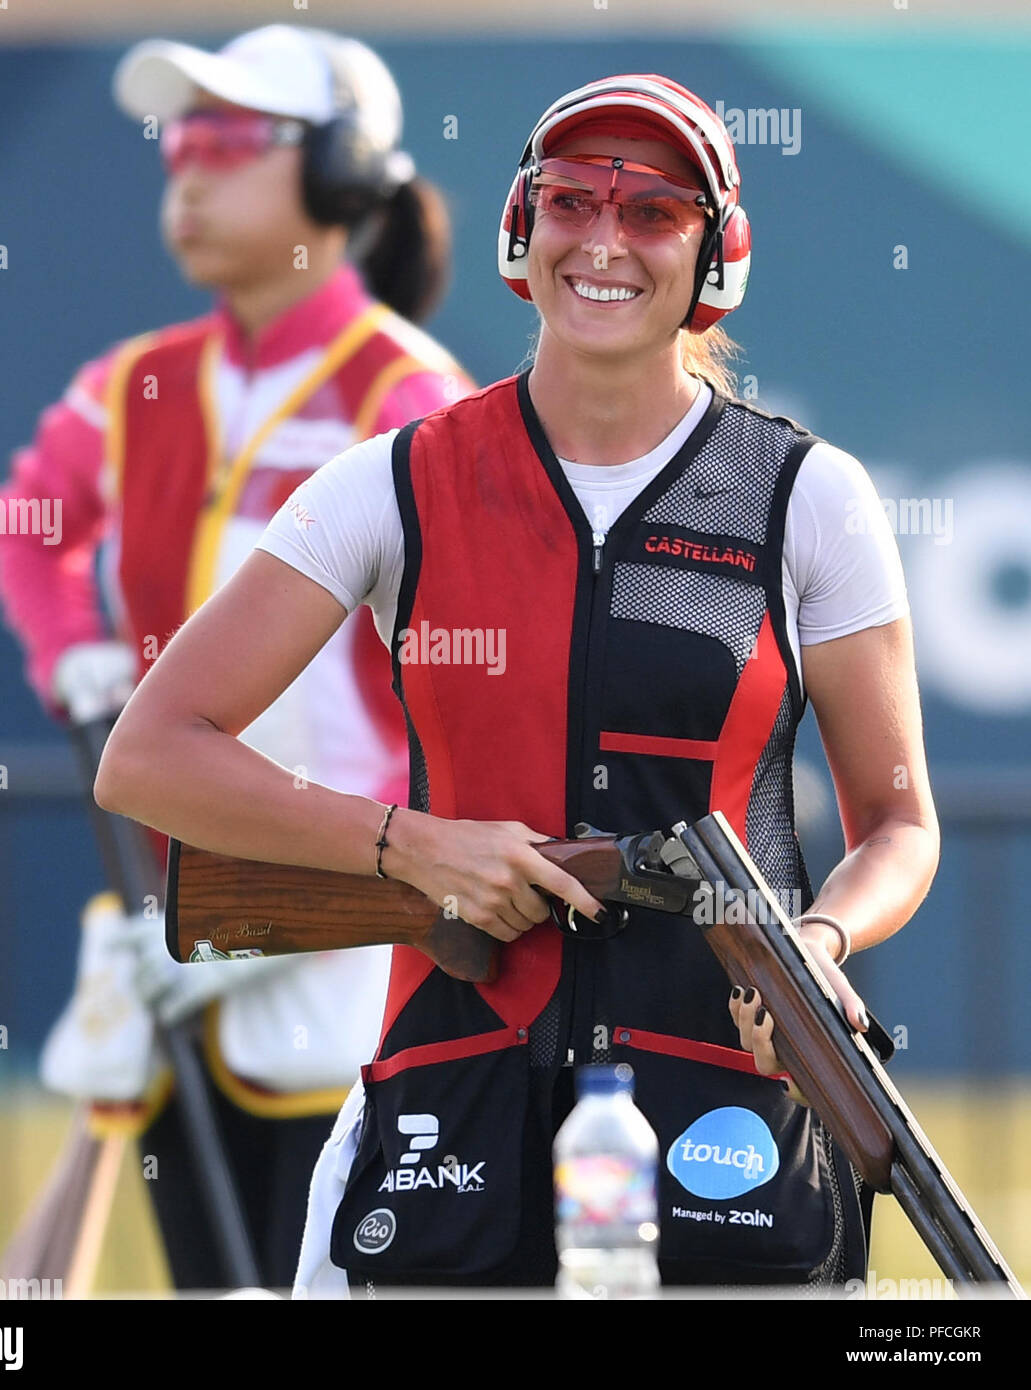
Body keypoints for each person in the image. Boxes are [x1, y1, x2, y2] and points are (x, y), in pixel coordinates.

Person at [93, 73, 940, 1293]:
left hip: (728, 1116)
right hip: (452, 1104)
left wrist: (814, 942)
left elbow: (899, 823)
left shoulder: (809, 497)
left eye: (652, 210)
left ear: (715, 253)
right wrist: (412, 847)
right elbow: (152, 753)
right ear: (520, 229)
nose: (603, 240)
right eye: (570, 200)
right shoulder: (387, 481)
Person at [0, 24, 473, 1291]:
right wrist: (71, 654)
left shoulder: (409, 397)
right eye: (178, 145)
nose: (188, 176)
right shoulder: (133, 382)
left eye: (234, 143)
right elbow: (30, 530)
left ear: (340, 173)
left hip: (356, 936)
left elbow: (464, 682)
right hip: (171, 921)